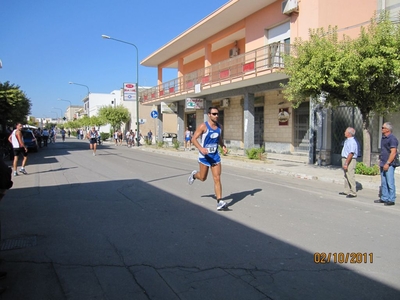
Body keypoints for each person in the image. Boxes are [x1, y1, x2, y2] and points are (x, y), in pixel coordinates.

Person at [188, 107, 228, 210]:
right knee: (203, 178)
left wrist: (223, 146)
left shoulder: (220, 127)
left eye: (217, 114)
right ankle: (194, 175)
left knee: (217, 178)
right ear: (209, 115)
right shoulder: (203, 126)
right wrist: (201, 148)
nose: (216, 116)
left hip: (215, 156)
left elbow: (218, 137)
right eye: (214, 114)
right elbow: (193, 139)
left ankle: (219, 201)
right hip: (205, 157)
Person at [375, 122, 398, 206]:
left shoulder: (392, 139)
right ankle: (384, 197)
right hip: (383, 162)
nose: (381, 129)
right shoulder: (383, 138)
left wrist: (388, 163)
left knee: (390, 181)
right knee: (384, 181)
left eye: (383, 127)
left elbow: (393, 152)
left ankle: (391, 199)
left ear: (387, 129)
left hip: (389, 164)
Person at [339, 127, 358, 198]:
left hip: (350, 159)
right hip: (345, 158)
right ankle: (346, 190)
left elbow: (351, 153)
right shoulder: (347, 140)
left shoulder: (352, 142)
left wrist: (346, 163)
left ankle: (353, 192)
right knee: (346, 175)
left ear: (349, 133)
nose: (344, 132)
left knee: (350, 175)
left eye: (346, 131)